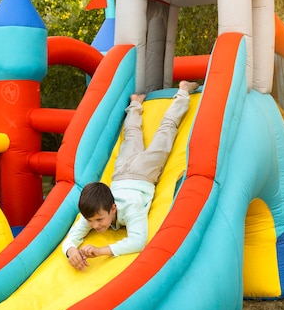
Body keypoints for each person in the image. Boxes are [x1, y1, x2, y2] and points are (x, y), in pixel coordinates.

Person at [62, 80, 199, 270]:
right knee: (131, 134)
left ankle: (182, 92)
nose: (95, 226)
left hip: (144, 172)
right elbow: (71, 238)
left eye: (99, 220)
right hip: (120, 173)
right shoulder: (95, 211)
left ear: (113, 208)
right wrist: (71, 251)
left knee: (166, 131)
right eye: (91, 221)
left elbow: (138, 241)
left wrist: (103, 250)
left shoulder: (131, 208)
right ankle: (135, 103)